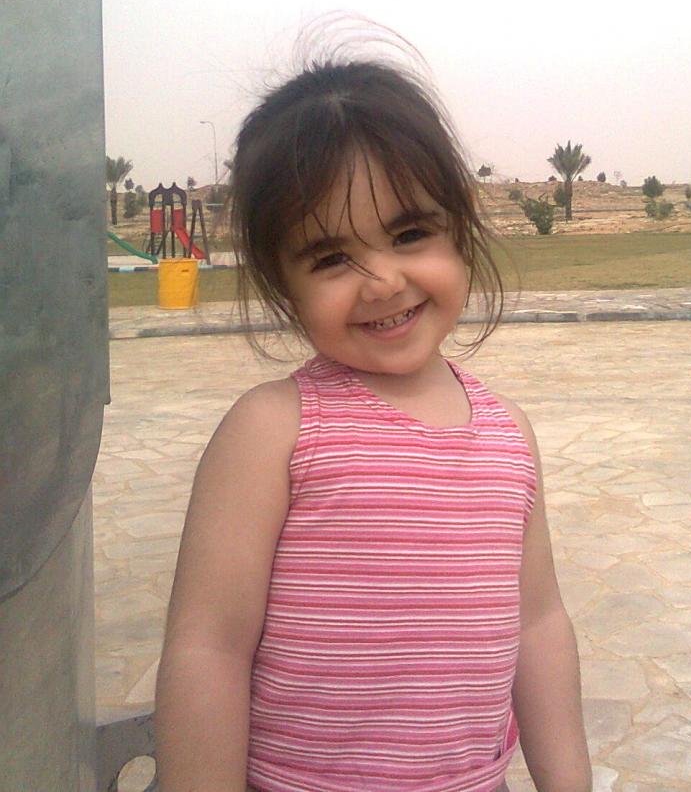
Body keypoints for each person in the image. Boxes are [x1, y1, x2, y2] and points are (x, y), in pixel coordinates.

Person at [155, 39, 592, 792]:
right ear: (283, 284)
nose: (383, 281)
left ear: (459, 231)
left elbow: (538, 623)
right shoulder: (275, 430)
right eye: (330, 257)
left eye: (409, 234)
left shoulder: (508, 435)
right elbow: (208, 650)